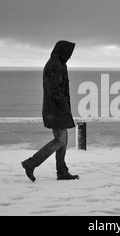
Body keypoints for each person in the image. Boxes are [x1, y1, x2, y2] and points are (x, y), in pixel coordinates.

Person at [21, 40, 79, 182]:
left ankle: (62, 171)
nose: (69, 56)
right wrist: (64, 106)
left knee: (63, 141)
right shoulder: (55, 65)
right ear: (62, 51)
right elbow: (55, 90)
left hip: (57, 109)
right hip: (56, 109)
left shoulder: (58, 64)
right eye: (68, 53)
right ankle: (31, 162)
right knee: (59, 140)